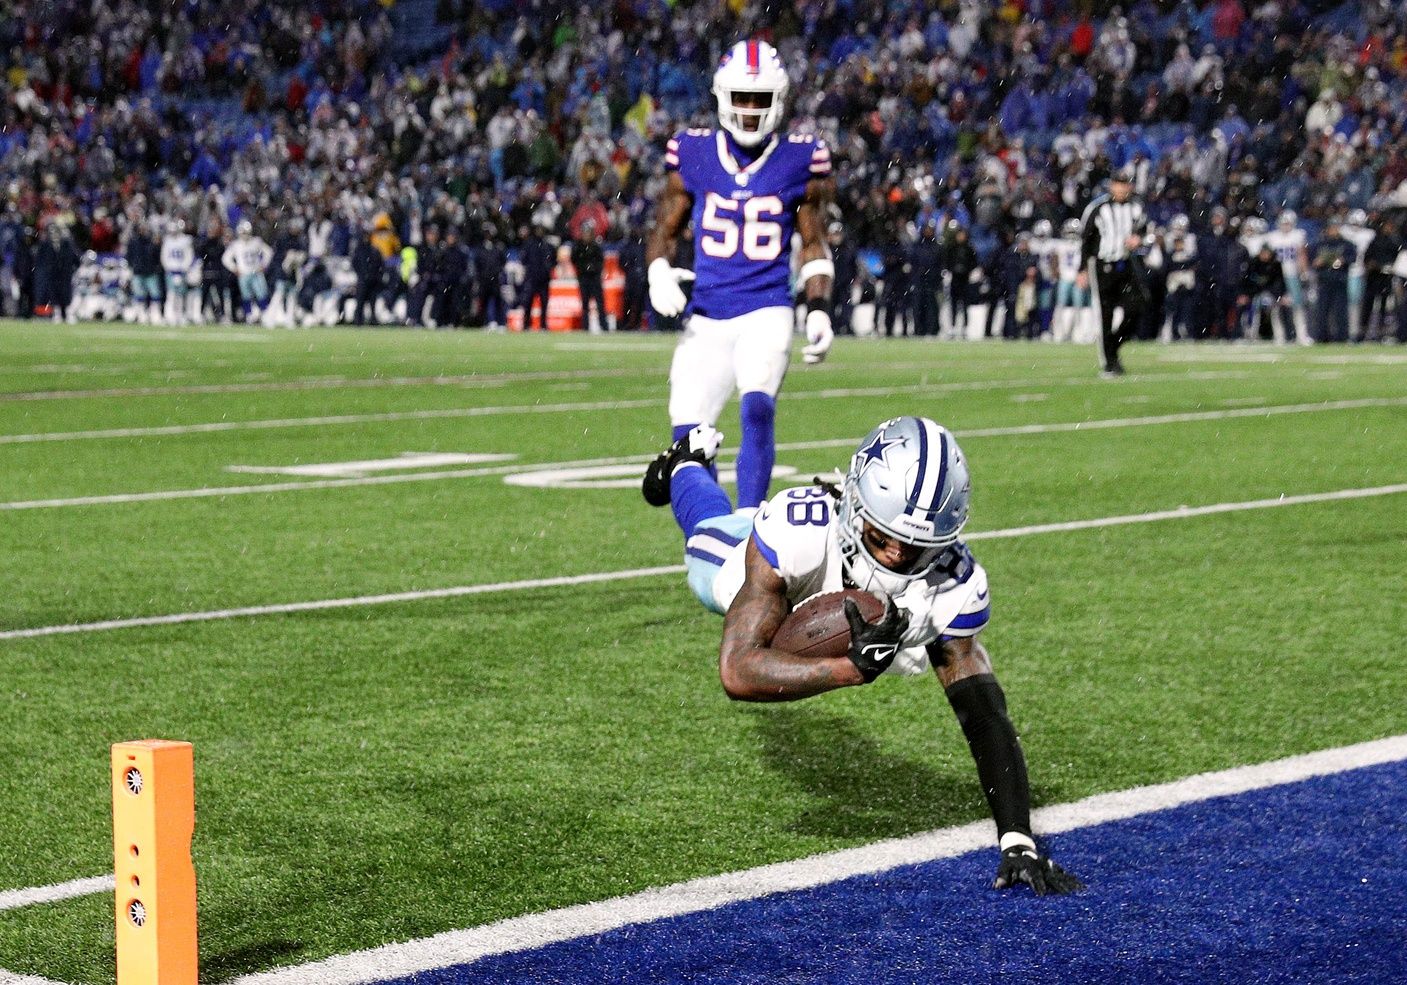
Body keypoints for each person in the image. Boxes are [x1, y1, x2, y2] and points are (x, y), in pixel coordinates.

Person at [643, 415, 1082, 896]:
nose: (894, 555)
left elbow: (983, 714)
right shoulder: (798, 532)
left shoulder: (954, 582)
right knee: (708, 536)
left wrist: (1018, 838)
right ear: (854, 505)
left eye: (913, 548)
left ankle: (701, 471)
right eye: (881, 537)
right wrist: (847, 669)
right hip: (780, 571)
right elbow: (738, 670)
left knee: (736, 522)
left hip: (853, 600)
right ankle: (687, 463)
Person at [645, 39, 835, 512]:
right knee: (688, 432)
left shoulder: (800, 158)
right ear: (721, 96)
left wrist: (818, 307)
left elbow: (813, 239)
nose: (749, 110)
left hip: (767, 308)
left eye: (760, 99)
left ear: (779, 100)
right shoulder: (692, 151)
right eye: (741, 98)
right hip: (707, 313)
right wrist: (657, 270)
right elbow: (665, 227)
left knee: (757, 406)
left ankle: (750, 521)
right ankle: (709, 529)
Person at [1080, 164, 1149, 376]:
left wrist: (1139, 239)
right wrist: (1082, 269)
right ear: (1111, 186)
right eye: (1118, 184)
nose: (1121, 189)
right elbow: (1086, 241)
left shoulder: (1136, 207)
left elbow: (1143, 229)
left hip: (1126, 265)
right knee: (1105, 314)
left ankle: (1114, 346)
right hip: (1102, 265)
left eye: (1125, 184)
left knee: (1138, 306)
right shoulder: (1097, 208)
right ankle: (1109, 363)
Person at [1262, 210, 1311, 345]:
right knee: (1275, 306)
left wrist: (1304, 272)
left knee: (1297, 306)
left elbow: (1302, 254)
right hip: (1277, 277)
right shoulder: (1272, 237)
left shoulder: (1298, 235)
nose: (1285, 225)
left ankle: (1302, 335)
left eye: (1288, 223)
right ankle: (1279, 336)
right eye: (1283, 223)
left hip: (1292, 275)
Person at [222, 220, 273, 322]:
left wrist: (264, 265)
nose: (244, 235)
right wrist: (234, 268)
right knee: (246, 296)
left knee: (261, 294)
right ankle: (249, 315)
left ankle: (265, 314)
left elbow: (269, 252)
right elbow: (225, 258)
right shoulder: (236, 244)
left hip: (256, 272)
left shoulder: (256, 241)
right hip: (244, 273)